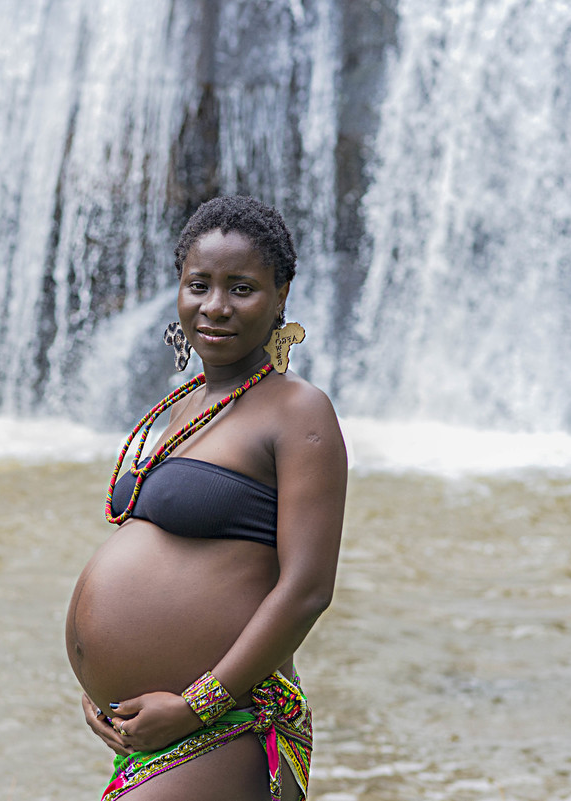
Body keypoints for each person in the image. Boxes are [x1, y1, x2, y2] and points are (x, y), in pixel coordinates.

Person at [65, 196, 347, 801]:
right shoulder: (184, 404)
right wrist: (102, 684)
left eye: (241, 288)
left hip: (230, 725)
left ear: (281, 296)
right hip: (155, 732)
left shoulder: (298, 411)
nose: (215, 306)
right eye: (200, 285)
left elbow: (307, 590)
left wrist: (196, 707)